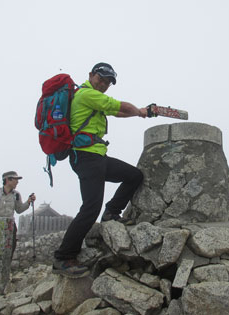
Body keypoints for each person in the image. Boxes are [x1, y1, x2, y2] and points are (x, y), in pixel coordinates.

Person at [52, 62, 147, 277]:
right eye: (101, 79)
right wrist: (141, 111)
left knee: (134, 176)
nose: (104, 84)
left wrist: (137, 113)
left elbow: (118, 113)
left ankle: (112, 212)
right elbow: (120, 106)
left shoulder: (92, 98)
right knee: (90, 207)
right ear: (91, 75)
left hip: (97, 156)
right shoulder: (86, 94)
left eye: (108, 82)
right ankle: (63, 257)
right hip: (86, 157)